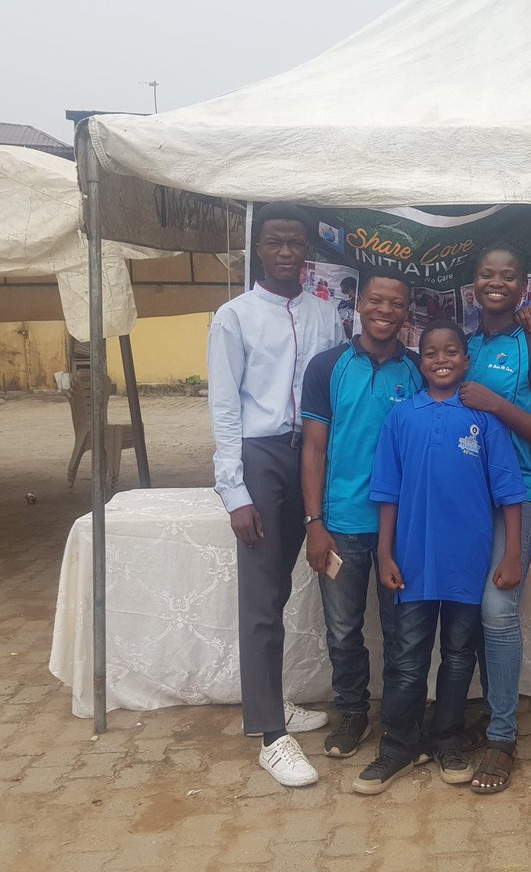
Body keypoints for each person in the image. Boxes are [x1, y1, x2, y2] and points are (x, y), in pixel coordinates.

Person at [354, 320, 526, 794]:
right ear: (420, 361)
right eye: (431, 353)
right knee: (407, 658)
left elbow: (510, 492)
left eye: (451, 351)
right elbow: (386, 492)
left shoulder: (484, 419)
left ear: (466, 360)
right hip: (411, 563)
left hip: (467, 564)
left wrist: (512, 554)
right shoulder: (401, 417)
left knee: (458, 656)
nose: (441, 359)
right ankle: (397, 746)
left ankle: (447, 738)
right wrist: (385, 553)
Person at [207, 202, 345, 787]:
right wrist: (234, 491)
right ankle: (269, 734)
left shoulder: (326, 316)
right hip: (262, 459)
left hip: (312, 455)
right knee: (263, 596)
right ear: (258, 250)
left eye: (294, 242)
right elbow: (223, 406)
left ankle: (273, 701)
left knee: (289, 584)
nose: (286, 252)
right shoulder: (234, 317)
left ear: (307, 250)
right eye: (274, 242)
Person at [300, 269, 422, 760]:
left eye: (396, 303)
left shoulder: (419, 370)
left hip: (404, 528)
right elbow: (313, 449)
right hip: (341, 526)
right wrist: (314, 523)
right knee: (344, 629)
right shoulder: (327, 367)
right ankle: (352, 712)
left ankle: (399, 719)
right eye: (375, 300)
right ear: (359, 304)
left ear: (407, 312)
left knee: (402, 632)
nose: (384, 310)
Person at [460, 241, 531, 793]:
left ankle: (502, 737)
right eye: (486, 274)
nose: (495, 282)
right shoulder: (464, 344)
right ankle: (488, 713)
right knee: (473, 608)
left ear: (526, 286)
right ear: (473, 284)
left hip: (519, 495)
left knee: (498, 609)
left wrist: (497, 404)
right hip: (464, 498)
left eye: (508, 275)